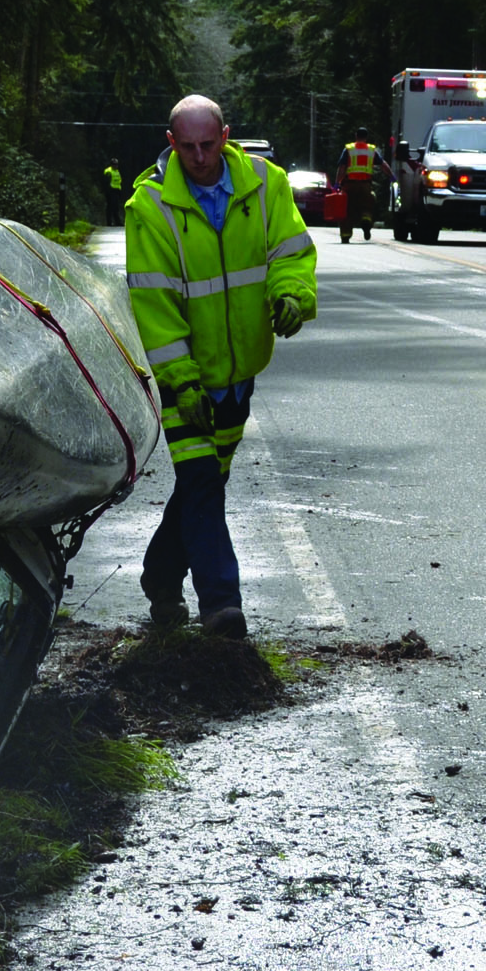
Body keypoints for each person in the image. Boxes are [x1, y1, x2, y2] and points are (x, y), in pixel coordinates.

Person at [125, 94, 318, 639]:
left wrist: (291, 297)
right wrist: (182, 381)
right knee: (202, 479)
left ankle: (160, 577)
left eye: (209, 143)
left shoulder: (265, 182)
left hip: (239, 374)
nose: (200, 156)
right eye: (187, 147)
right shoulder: (151, 207)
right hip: (184, 377)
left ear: (226, 135)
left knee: (203, 486)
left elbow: (290, 253)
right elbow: (154, 304)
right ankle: (221, 608)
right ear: (172, 143)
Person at [334, 126, 381, 242]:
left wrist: (337, 183)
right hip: (365, 185)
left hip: (349, 185)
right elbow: (383, 165)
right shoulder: (371, 150)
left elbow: (342, 168)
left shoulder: (349, 149)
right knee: (367, 205)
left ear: (356, 136)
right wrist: (392, 177)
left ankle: (345, 235)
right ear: (366, 137)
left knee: (347, 210)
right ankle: (366, 220)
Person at [102, 160, 127, 225]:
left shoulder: (117, 171)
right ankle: (109, 222)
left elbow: (119, 181)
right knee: (110, 207)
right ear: (111, 165)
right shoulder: (108, 171)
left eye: (116, 164)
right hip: (110, 191)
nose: (116, 165)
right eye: (114, 164)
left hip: (116, 191)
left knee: (116, 207)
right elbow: (106, 183)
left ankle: (117, 222)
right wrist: (108, 192)